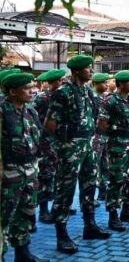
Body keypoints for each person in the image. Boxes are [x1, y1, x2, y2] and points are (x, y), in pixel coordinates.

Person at [45, 55, 110, 254]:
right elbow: (50, 124)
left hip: (88, 145)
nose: (91, 71)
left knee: (89, 185)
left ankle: (89, 225)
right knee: (65, 189)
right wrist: (63, 144)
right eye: (87, 68)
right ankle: (61, 234)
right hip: (70, 147)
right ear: (76, 71)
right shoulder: (62, 93)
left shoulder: (87, 91)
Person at [1, 72, 48, 262]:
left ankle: (23, 254)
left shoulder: (30, 110)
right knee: (4, 218)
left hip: (30, 170)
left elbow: (39, 138)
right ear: (13, 91)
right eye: (26, 88)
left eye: (32, 87)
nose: (32, 91)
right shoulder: (3, 112)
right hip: (8, 173)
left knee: (26, 214)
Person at [97, 71, 129, 232]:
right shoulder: (110, 101)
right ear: (121, 84)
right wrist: (114, 136)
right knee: (116, 180)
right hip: (118, 148)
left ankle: (127, 208)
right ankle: (113, 215)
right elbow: (101, 124)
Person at [33, 69, 65, 225]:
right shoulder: (42, 98)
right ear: (51, 82)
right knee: (46, 174)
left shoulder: (62, 96)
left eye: (62, 80)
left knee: (59, 174)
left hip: (59, 141)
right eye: (58, 81)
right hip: (46, 142)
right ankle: (43, 210)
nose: (61, 83)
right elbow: (34, 120)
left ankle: (57, 206)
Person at [90, 72, 110, 203]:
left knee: (104, 164)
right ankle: (91, 195)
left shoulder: (104, 98)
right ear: (95, 84)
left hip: (104, 136)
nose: (106, 85)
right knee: (93, 165)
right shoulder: (91, 98)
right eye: (103, 83)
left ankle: (103, 190)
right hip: (95, 136)